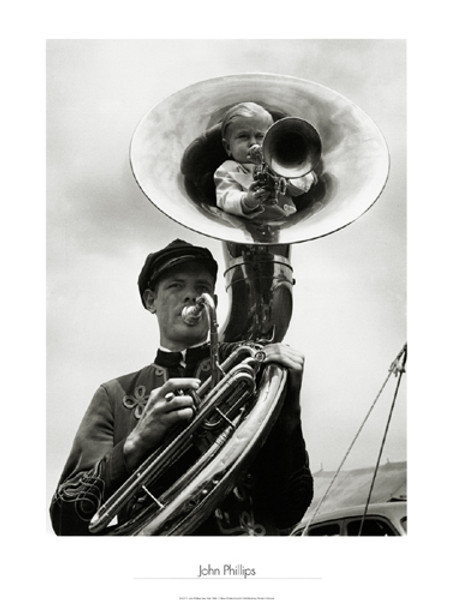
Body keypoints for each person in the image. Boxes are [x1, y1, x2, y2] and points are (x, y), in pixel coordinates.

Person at [50, 238, 313, 535]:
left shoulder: (251, 374)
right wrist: (135, 443)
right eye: (176, 286)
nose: (192, 296)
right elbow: (65, 518)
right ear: (151, 300)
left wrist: (289, 410)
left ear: (213, 297)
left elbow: (290, 507)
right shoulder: (114, 396)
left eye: (201, 287)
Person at [214, 102, 317, 221]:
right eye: (243, 136)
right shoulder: (226, 170)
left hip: (286, 223)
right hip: (246, 228)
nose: (253, 142)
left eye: (260, 136)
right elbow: (225, 198)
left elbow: (301, 187)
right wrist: (248, 200)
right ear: (228, 147)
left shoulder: (278, 162)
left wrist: (290, 175)